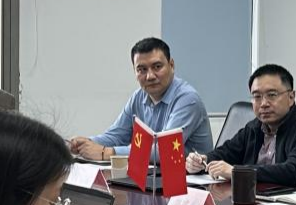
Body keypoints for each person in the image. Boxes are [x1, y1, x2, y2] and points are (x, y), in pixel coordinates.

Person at [69, 37, 212, 161]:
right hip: (152, 176)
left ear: (172, 65)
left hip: (190, 180)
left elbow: (164, 150)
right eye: (142, 69)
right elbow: (117, 136)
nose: (150, 76)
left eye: (157, 67)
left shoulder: (188, 99)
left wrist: (107, 152)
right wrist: (86, 143)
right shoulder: (138, 96)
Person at [186, 64, 296, 185]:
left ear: (291, 97)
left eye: (272, 95)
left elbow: (293, 170)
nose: (264, 103)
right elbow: (225, 153)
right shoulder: (253, 128)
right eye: (257, 96)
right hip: (250, 196)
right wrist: (202, 161)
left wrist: (238, 172)